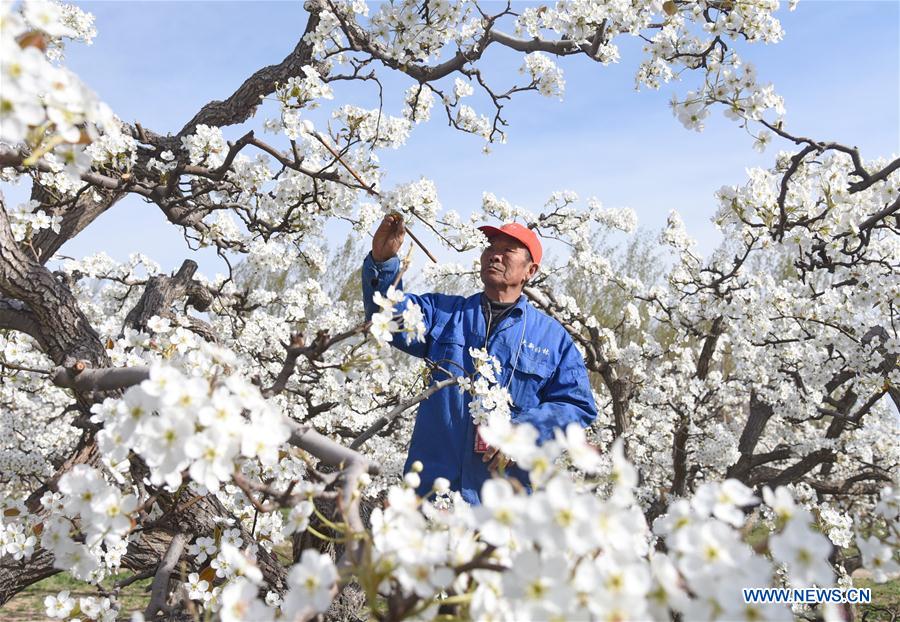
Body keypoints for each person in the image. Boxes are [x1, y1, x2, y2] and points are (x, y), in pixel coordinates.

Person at [361, 214, 597, 504]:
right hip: (429, 499)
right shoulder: (444, 314)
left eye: (508, 250)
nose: (495, 255)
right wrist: (383, 262)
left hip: (501, 510)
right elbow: (387, 320)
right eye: (490, 247)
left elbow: (576, 405)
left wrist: (524, 433)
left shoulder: (553, 339)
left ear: (530, 271)